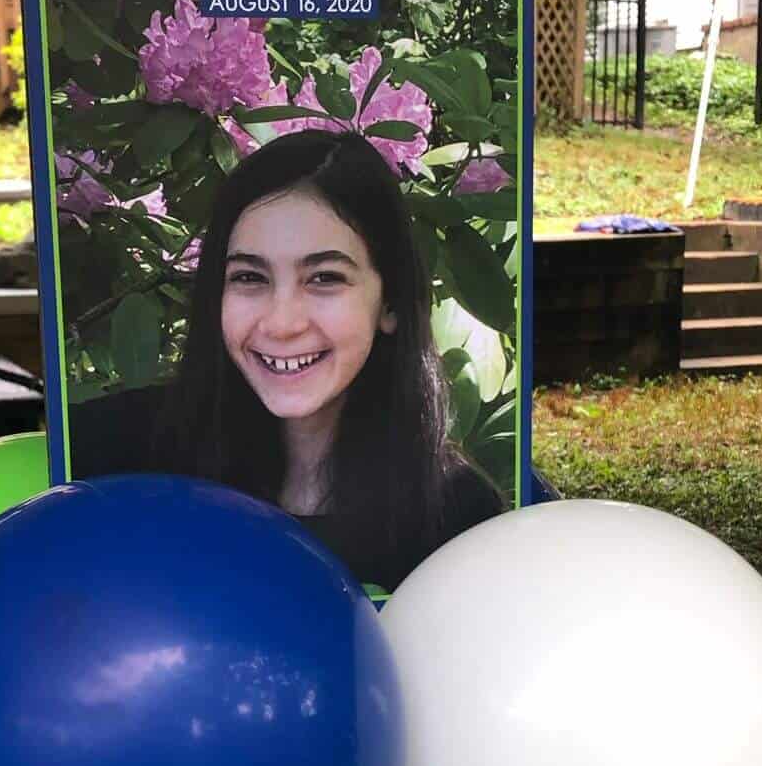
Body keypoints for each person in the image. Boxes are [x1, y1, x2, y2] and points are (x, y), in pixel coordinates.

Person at [68, 129, 505, 590]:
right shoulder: (113, 454)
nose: (281, 323)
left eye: (324, 278)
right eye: (250, 277)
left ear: (390, 303)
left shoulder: (458, 522)